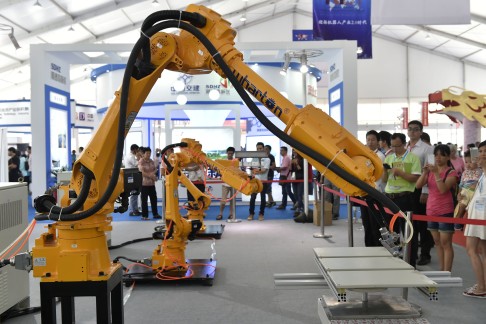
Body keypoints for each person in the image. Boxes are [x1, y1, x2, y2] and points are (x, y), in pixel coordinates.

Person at [416, 144, 458, 272]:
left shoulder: (451, 172)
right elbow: (418, 186)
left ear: (448, 157)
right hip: (431, 210)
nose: (438, 158)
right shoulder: (430, 171)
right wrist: (425, 172)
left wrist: (436, 174)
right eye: (436, 155)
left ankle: (447, 271)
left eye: (442, 155)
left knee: (446, 242)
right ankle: (442, 269)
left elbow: (443, 189)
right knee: (437, 241)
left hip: (445, 210)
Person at [382, 133, 422, 266]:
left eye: (397, 146)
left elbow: (415, 179)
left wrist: (400, 172)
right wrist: (383, 170)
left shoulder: (412, 158)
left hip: (405, 197)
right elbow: (384, 180)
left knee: (408, 231)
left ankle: (411, 262)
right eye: (392, 146)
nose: (394, 149)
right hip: (389, 197)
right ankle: (392, 260)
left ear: (404, 144)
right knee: (390, 230)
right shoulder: (389, 157)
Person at [406, 120, 434, 266]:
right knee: (410, 224)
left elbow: (431, 171)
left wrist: (425, 191)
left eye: (416, 129)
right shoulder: (405, 148)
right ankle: (412, 253)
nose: (412, 132)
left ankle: (425, 254)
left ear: (421, 132)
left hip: (420, 190)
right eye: (410, 129)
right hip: (407, 189)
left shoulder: (427, 149)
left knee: (422, 224)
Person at [463, 140, 486, 298]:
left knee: (471, 249)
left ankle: (482, 287)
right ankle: (483, 285)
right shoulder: (482, 173)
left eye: (485, 152)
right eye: (481, 151)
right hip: (477, 214)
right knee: (483, 250)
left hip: (481, 216)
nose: (482, 155)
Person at [361, 130, 386, 246]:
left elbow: (379, 178)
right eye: (368, 140)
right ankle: (368, 247)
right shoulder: (364, 155)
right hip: (364, 192)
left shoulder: (380, 156)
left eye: (373, 140)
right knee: (366, 223)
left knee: (375, 224)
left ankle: (377, 248)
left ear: (378, 142)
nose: (370, 142)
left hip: (376, 194)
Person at [454, 150, 482, 230]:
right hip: (465, 192)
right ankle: (458, 225)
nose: (468, 164)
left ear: (476, 160)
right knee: (460, 209)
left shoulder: (481, 171)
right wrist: (459, 194)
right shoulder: (465, 172)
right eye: (466, 162)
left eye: (470, 162)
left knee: (471, 212)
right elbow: (461, 185)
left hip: (475, 194)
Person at [248, 142, 270, 221]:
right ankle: (251, 213)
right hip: (254, 182)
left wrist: (256, 170)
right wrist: (253, 173)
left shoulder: (267, 159)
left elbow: (264, 170)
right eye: (257, 148)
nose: (259, 150)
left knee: (263, 198)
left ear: (263, 149)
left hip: (263, 182)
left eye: (260, 148)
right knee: (252, 198)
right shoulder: (254, 158)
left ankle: (261, 214)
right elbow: (251, 170)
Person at [138, 147, 161, 220]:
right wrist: (151, 176)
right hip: (144, 184)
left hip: (151, 184)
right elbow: (141, 172)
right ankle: (144, 216)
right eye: (147, 153)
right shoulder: (141, 161)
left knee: (154, 199)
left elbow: (155, 169)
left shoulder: (151, 161)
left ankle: (155, 214)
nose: (148, 154)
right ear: (144, 154)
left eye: (149, 153)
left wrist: (153, 175)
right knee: (144, 201)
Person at [217, 146, 236, 220]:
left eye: (231, 153)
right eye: (229, 153)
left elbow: (239, 171)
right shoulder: (223, 162)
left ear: (233, 153)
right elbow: (219, 171)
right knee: (223, 200)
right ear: (227, 153)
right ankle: (220, 214)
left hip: (234, 184)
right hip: (225, 184)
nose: (230, 155)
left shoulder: (236, 161)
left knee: (232, 201)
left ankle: (231, 214)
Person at [125, 144, 141, 216]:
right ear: (134, 150)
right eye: (137, 150)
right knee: (134, 193)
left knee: (135, 193)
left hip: (131, 175)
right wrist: (139, 157)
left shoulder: (128, 155)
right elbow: (137, 164)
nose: (137, 152)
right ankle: (133, 210)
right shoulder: (131, 156)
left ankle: (135, 209)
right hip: (132, 175)